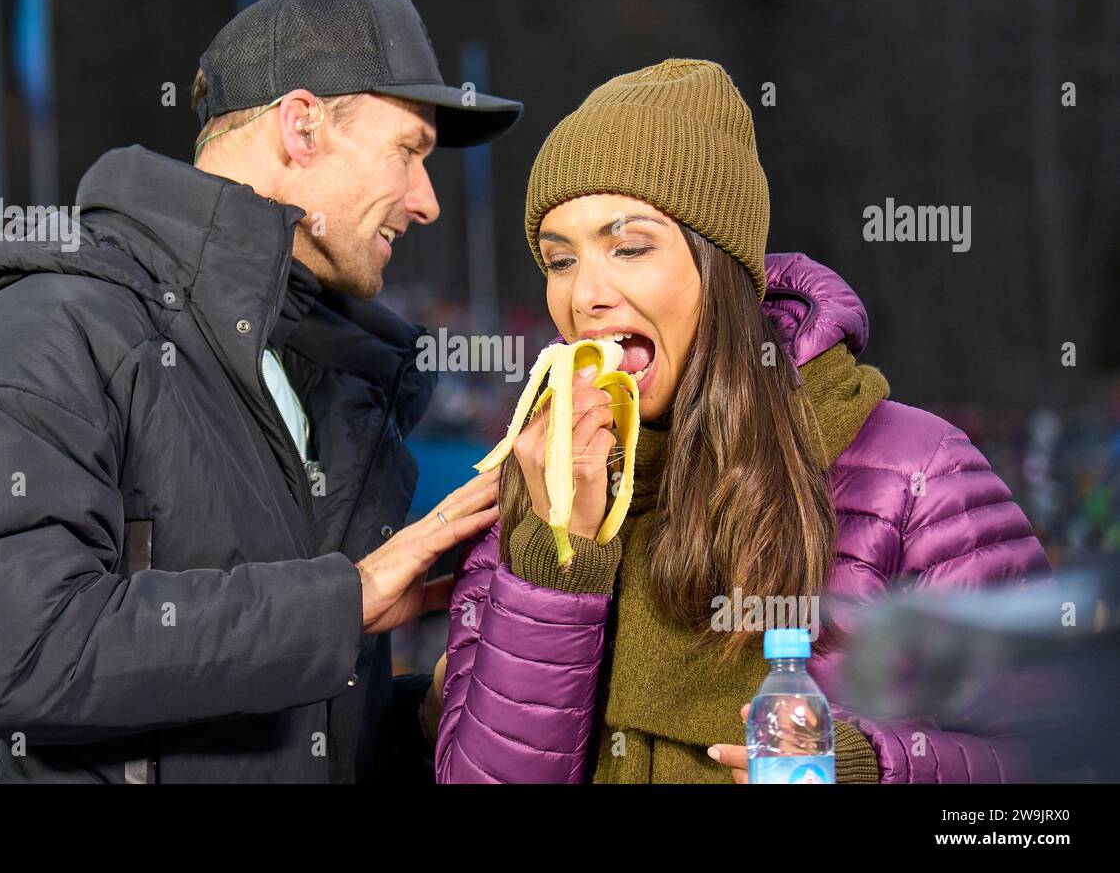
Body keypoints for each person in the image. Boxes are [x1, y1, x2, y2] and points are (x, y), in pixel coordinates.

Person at [0, 0, 521, 783]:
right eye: (410, 151)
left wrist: (416, 719)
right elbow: (22, 649)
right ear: (301, 125)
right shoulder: (40, 333)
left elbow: (254, 718)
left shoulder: (308, 377)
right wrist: (342, 603)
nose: (427, 202)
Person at [434, 59, 1052, 783]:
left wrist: (869, 768)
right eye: (559, 259)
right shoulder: (536, 483)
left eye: (629, 245)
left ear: (720, 264)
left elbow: (1050, 770)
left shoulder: (914, 474)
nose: (585, 295)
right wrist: (556, 559)